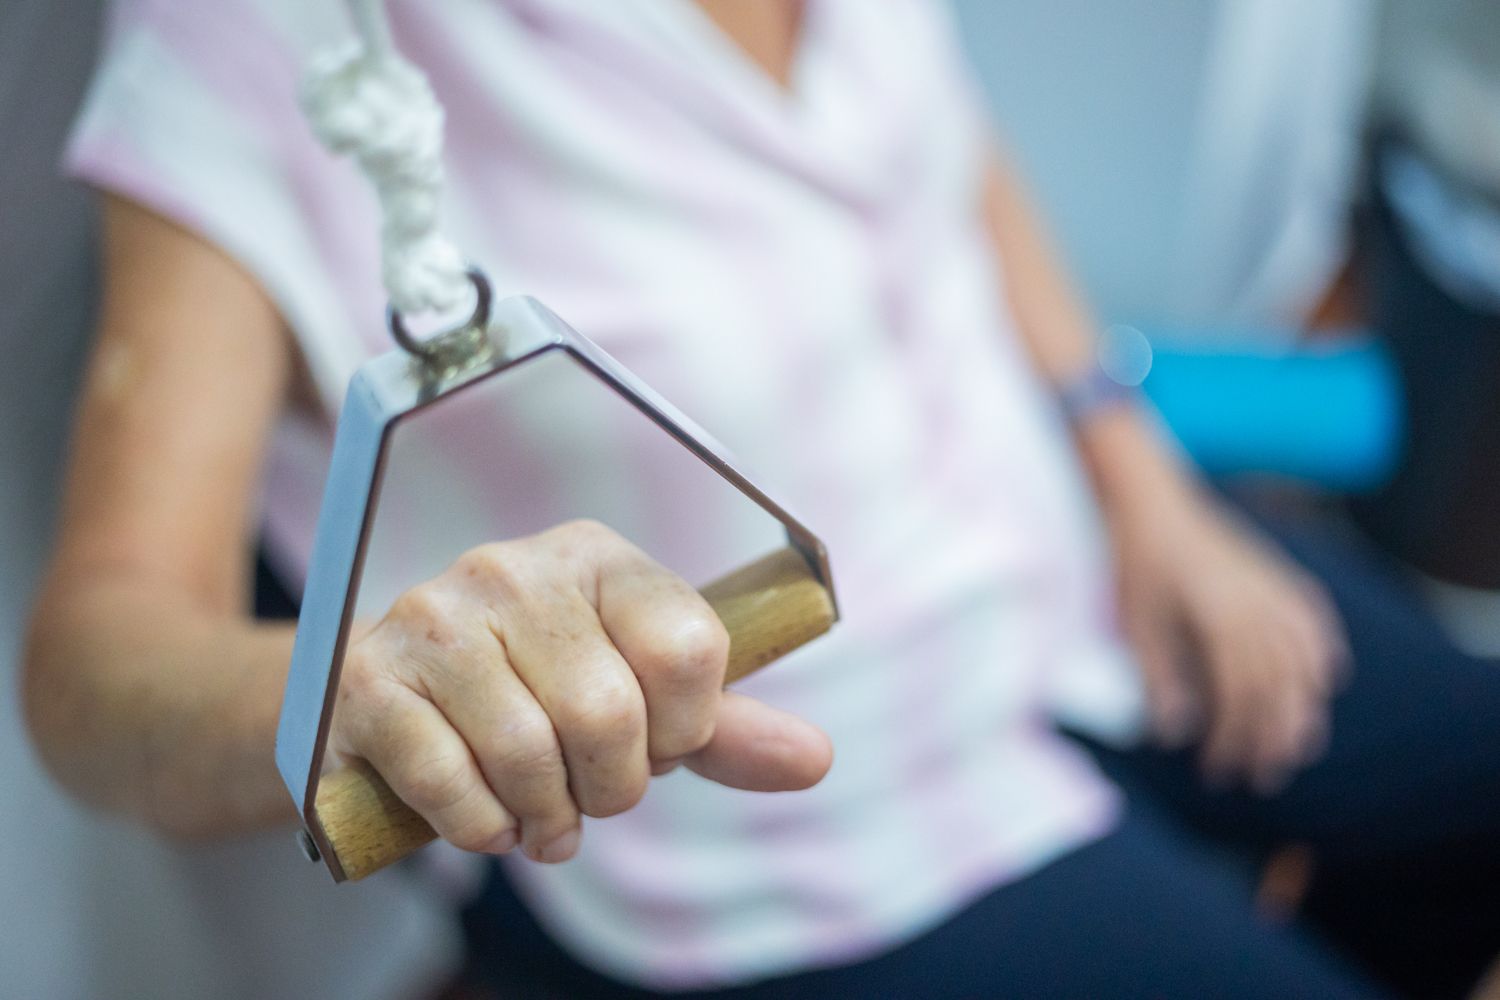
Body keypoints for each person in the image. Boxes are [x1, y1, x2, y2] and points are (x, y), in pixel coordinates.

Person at [22, 1, 1500, 996]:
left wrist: (1134, 468)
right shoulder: (262, 54)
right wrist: (361, 687)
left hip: (1062, 578)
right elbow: (94, 661)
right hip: (807, 826)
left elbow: (943, 171)